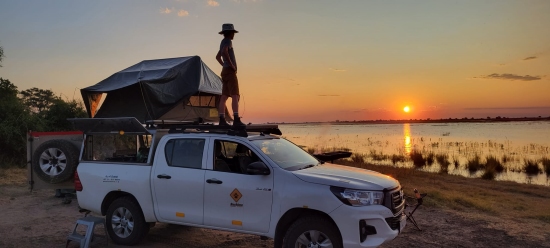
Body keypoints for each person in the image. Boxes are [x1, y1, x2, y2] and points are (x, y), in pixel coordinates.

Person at [216, 23, 245, 127]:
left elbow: (218, 57)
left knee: (224, 96)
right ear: (230, 33)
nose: (234, 35)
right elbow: (224, 52)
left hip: (224, 71)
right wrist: (231, 65)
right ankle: (236, 119)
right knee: (235, 95)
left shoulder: (222, 42)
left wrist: (224, 65)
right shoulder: (228, 41)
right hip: (230, 71)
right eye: (233, 33)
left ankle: (222, 119)